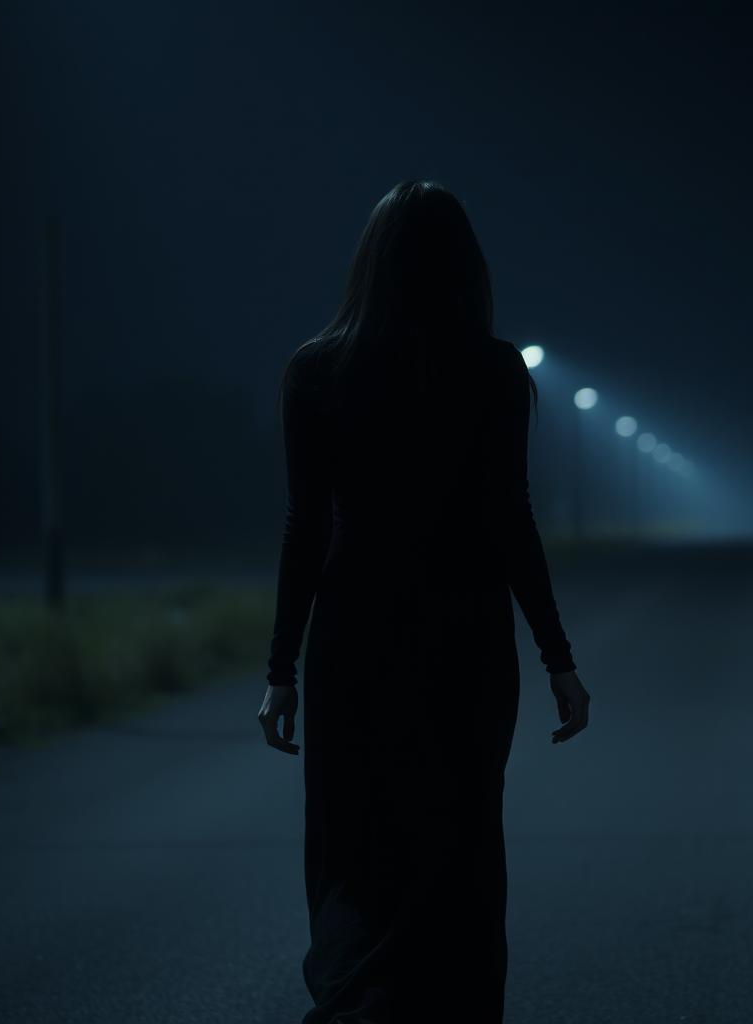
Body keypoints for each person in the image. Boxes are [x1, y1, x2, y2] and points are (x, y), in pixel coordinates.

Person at [257, 180, 591, 1024]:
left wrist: (280, 671)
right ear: (463, 265)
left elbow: (305, 528)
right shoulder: (493, 369)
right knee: (462, 841)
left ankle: (354, 1002)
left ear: (368, 263)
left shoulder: (315, 368)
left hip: (351, 641)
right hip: (465, 640)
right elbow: (511, 518)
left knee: (354, 843)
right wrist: (559, 659)